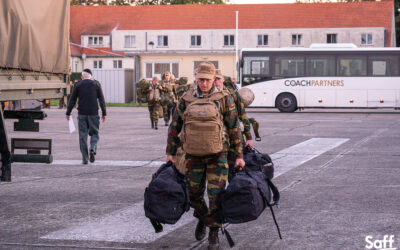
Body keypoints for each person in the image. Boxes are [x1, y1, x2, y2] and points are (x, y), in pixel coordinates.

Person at [166, 62, 245, 250]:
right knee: (193, 195)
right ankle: (204, 217)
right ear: (196, 77)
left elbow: (234, 128)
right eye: (201, 79)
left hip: (218, 155)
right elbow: (174, 126)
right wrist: (170, 152)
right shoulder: (186, 99)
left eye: (207, 80)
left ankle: (214, 233)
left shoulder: (224, 98)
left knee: (216, 196)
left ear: (213, 79)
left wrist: (240, 155)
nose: (204, 83)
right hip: (193, 155)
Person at [214, 70, 253, 182]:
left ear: (223, 79)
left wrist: (248, 137)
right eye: (214, 79)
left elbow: (242, 114)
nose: (216, 81)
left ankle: (234, 192)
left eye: (218, 79)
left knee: (234, 170)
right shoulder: (208, 95)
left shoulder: (232, 94)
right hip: (215, 138)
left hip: (232, 137)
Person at [66, 69, 106, 164]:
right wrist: (104, 113)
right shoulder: (96, 84)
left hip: (82, 114)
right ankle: (92, 148)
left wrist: (68, 112)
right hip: (93, 113)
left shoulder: (78, 85)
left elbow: (72, 100)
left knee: (82, 136)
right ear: (91, 76)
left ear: (82, 76)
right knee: (94, 133)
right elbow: (101, 100)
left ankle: (84, 159)